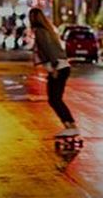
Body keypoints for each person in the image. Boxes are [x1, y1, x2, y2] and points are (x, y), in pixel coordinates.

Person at [29, 7, 78, 138]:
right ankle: (70, 126)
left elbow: (49, 49)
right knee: (55, 99)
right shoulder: (48, 30)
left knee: (55, 99)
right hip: (62, 66)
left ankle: (71, 126)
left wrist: (54, 67)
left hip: (58, 67)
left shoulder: (40, 31)